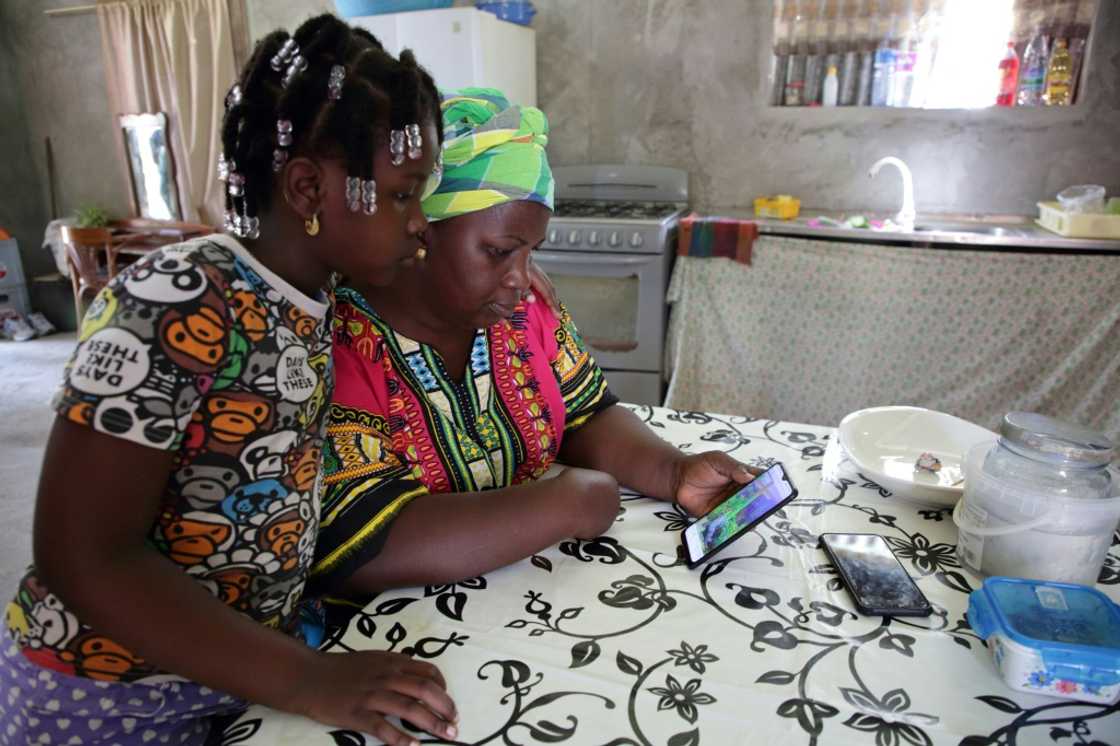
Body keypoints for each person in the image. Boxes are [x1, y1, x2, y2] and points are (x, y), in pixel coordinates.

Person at [0, 15, 459, 746]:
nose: (420, 224)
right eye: (404, 194)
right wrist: (305, 679)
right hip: (107, 695)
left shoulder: (327, 294)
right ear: (308, 188)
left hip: (236, 671)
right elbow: (84, 555)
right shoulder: (176, 297)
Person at [310, 88, 757, 597]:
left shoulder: (520, 313)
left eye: (531, 252)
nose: (522, 278)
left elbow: (587, 412)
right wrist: (562, 506)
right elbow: (357, 542)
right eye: (500, 251)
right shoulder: (342, 344)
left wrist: (675, 472)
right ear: (418, 233)